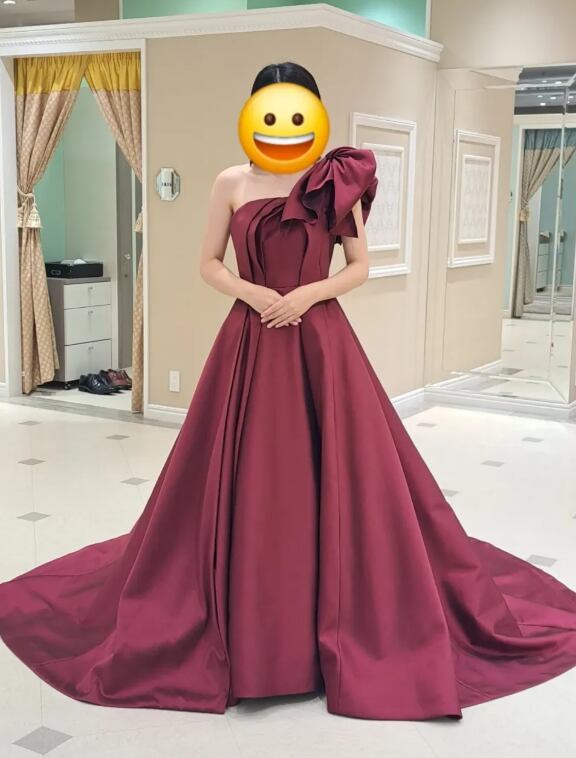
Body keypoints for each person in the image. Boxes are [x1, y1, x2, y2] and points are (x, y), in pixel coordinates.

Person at [1, 61, 576, 722]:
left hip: (320, 339)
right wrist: (255, 295)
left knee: (343, 473)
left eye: (297, 109)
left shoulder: (334, 182)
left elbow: (359, 266)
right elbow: (208, 263)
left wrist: (306, 295)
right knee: (251, 474)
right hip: (251, 338)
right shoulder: (231, 181)